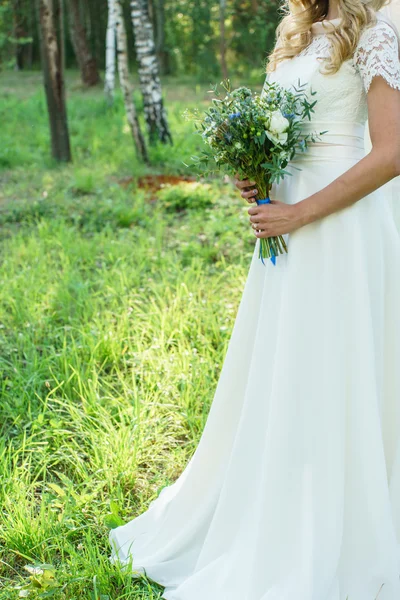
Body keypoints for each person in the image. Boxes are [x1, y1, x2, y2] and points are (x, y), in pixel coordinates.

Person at [109, 0, 400, 598]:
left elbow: (392, 150)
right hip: (285, 222)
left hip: (339, 226)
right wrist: (258, 174)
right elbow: (285, 127)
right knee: (289, 370)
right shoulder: (294, 30)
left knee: (337, 369)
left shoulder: (376, 28)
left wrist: (301, 211)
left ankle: (346, 518)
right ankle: (281, 497)